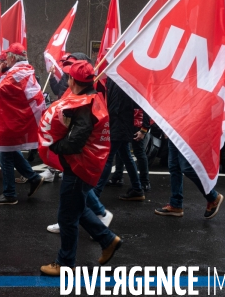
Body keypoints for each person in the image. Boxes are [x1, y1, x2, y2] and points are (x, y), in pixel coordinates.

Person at [40, 60, 121, 276]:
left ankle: (65, 263)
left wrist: (54, 144)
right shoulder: (94, 98)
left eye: (68, 77)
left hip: (79, 167)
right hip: (86, 166)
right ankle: (107, 240)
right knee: (78, 208)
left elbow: (74, 143)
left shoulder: (84, 106)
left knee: (67, 217)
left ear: (73, 81)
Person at [0, 43, 45, 205]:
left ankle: (10, 194)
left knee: (5, 154)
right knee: (9, 152)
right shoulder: (24, 70)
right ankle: (33, 178)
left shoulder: (17, 73)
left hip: (12, 120)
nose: (5, 58)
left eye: (7, 56)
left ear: (13, 57)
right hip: (16, 118)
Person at [155, 140, 224, 219]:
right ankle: (176, 205)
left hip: (185, 132)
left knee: (187, 168)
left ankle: (213, 197)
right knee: (174, 167)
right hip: (174, 132)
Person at [104, 76, 145, 201]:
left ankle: (94, 195)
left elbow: (139, 104)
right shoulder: (113, 79)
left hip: (119, 125)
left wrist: (142, 128)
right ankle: (137, 188)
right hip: (119, 124)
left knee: (109, 158)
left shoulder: (123, 79)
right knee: (126, 156)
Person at [112, 103, 152, 191]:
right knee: (121, 149)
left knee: (138, 151)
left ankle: (144, 181)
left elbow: (146, 107)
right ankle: (118, 176)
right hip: (127, 122)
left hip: (136, 123)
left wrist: (144, 129)